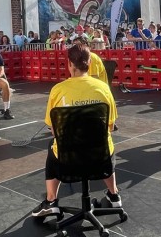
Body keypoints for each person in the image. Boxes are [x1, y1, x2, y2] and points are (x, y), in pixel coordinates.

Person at [31, 42, 122, 218]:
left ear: (70, 63)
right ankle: (114, 195)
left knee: (52, 146)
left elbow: (54, 131)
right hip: (100, 155)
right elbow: (110, 127)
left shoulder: (58, 90)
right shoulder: (104, 88)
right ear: (90, 62)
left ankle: (51, 201)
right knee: (106, 143)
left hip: (68, 156)